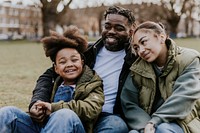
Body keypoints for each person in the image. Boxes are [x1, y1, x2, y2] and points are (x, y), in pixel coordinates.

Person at [31, 6, 137, 133]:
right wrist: (37, 101)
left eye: (119, 28)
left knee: (117, 125)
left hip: (107, 116)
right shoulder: (86, 51)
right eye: (107, 26)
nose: (111, 31)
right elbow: (48, 76)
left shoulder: (136, 58)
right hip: (74, 109)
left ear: (131, 32)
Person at [0, 25, 104, 133]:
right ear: (56, 68)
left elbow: (91, 109)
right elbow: (41, 91)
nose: (69, 65)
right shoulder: (53, 81)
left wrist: (53, 107)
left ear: (82, 62)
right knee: (7, 113)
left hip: (72, 127)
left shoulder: (93, 82)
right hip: (44, 127)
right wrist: (37, 108)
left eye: (74, 60)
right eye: (63, 62)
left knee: (64, 114)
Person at [121, 21, 200, 133]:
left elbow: (184, 96)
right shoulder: (137, 69)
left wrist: (155, 121)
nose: (141, 51)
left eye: (143, 42)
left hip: (181, 123)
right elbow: (129, 103)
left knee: (163, 129)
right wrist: (146, 127)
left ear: (161, 38)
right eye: (136, 47)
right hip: (147, 124)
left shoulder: (189, 59)